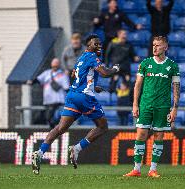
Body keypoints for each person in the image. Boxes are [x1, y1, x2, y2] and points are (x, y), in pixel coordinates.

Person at [31, 34, 120, 175]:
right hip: (84, 97)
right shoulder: (92, 57)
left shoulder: (80, 59)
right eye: (95, 44)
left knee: (60, 127)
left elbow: (75, 76)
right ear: (88, 46)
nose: (99, 46)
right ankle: (77, 148)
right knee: (103, 127)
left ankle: (40, 152)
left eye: (100, 44)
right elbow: (104, 73)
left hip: (72, 95)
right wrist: (115, 69)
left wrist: (93, 87)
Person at [124, 36, 180, 178]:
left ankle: (152, 169)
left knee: (158, 136)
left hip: (163, 106)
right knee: (141, 134)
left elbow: (176, 88)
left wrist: (175, 108)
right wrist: (135, 104)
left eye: (158, 45)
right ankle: (136, 169)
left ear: (165, 47)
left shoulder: (173, 66)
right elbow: (137, 85)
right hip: (146, 105)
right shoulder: (145, 63)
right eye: (153, 45)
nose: (154, 47)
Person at [28, 58, 69, 129]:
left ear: (59, 65)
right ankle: (53, 132)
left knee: (56, 119)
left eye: (56, 65)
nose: (55, 67)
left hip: (58, 102)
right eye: (54, 65)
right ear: (51, 65)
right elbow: (38, 79)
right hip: (48, 101)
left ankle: (56, 132)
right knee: (48, 119)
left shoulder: (63, 75)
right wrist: (32, 82)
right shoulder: (47, 73)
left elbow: (66, 88)